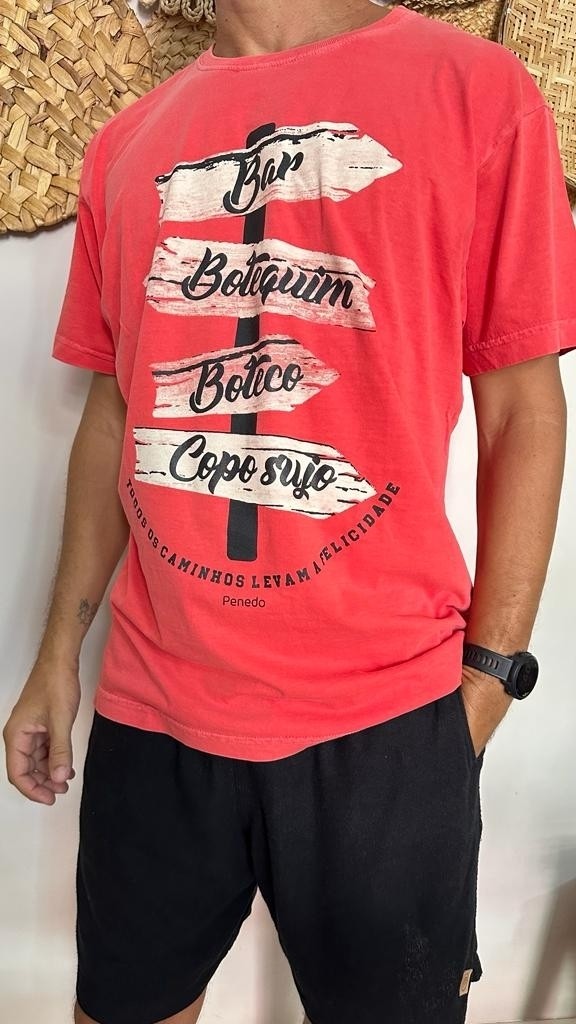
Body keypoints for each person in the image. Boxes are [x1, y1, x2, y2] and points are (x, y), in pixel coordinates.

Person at [4, 0, 576, 1021]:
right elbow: (114, 415)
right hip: (153, 710)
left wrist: (488, 681)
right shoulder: (126, 145)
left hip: (387, 723)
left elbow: (523, 405)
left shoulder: (475, 92)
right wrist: (57, 656)